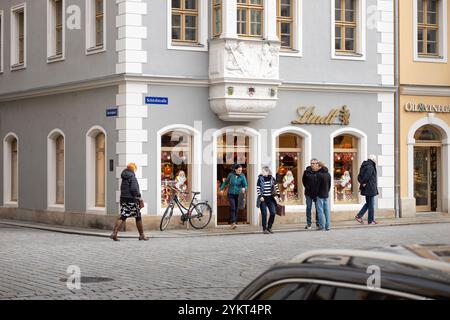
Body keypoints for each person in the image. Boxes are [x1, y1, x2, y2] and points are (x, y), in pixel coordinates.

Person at [110, 163, 149, 241]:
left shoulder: (124, 177)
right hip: (131, 200)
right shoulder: (132, 177)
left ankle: (114, 233)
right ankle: (141, 235)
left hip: (124, 199)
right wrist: (139, 198)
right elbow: (134, 189)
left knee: (124, 215)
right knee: (136, 216)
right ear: (133, 169)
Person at [220, 164, 248, 229]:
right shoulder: (230, 175)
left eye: (241, 170)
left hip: (239, 194)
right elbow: (225, 182)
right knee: (233, 207)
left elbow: (245, 185)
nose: (240, 171)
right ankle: (233, 222)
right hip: (231, 193)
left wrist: (244, 188)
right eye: (239, 170)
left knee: (236, 208)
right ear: (235, 170)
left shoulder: (242, 176)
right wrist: (221, 189)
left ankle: (233, 221)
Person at [355, 155, 379, 225]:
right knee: (371, 205)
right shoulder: (370, 166)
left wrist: (361, 185)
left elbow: (359, 177)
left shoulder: (364, 165)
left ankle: (359, 216)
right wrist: (364, 183)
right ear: (373, 159)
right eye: (375, 159)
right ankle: (370, 220)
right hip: (370, 188)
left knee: (368, 203)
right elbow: (366, 176)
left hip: (367, 188)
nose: (376, 161)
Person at [257, 166, 281, 234]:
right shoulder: (260, 179)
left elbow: (276, 188)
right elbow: (258, 188)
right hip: (263, 199)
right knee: (264, 214)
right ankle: (264, 229)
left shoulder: (272, 179)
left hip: (270, 198)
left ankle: (269, 227)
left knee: (273, 212)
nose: (262, 172)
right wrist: (260, 196)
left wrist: (279, 196)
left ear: (267, 172)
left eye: (263, 171)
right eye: (262, 171)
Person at [302, 159, 320, 230]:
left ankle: (318, 223)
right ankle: (309, 224)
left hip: (317, 193)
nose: (312, 164)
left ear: (317, 164)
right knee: (308, 208)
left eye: (314, 163)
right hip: (308, 193)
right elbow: (303, 181)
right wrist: (307, 187)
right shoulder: (306, 172)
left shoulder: (319, 171)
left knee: (318, 208)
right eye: (311, 163)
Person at [316, 162, 332, 231]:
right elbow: (329, 185)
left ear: (320, 167)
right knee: (326, 210)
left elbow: (317, 186)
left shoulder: (319, 174)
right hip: (326, 194)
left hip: (319, 194)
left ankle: (322, 225)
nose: (316, 167)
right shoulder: (328, 174)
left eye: (317, 166)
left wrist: (316, 193)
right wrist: (327, 191)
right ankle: (328, 226)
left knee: (320, 210)